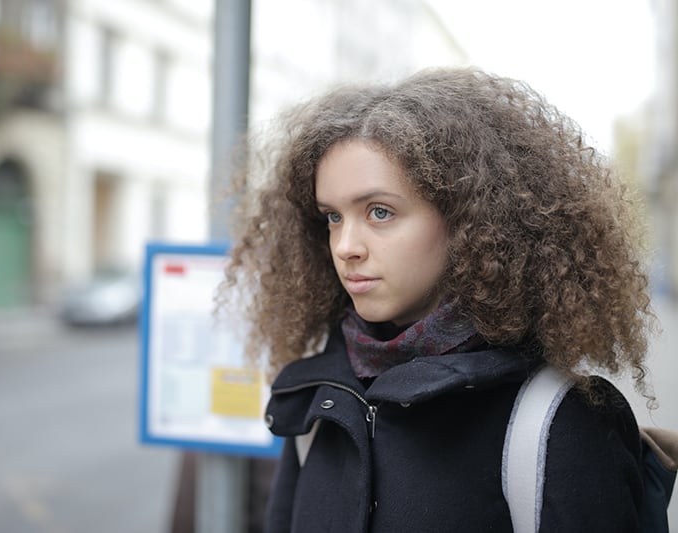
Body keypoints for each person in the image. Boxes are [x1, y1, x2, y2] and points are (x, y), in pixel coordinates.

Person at [217, 67, 661, 532]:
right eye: (332, 216)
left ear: (469, 221)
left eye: (380, 212)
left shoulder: (556, 422)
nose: (346, 245)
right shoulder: (320, 402)